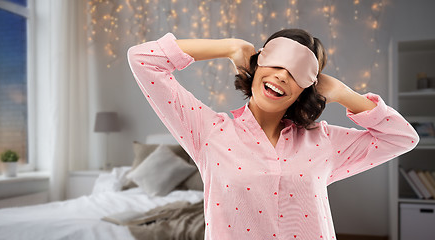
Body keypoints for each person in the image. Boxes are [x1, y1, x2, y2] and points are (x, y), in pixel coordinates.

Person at [127, 28, 419, 240]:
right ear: (257, 65)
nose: (281, 75)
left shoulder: (323, 141)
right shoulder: (208, 132)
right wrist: (230, 47)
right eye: (276, 64)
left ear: (307, 87)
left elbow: (402, 137)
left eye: (296, 72)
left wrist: (344, 93)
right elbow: (143, 59)